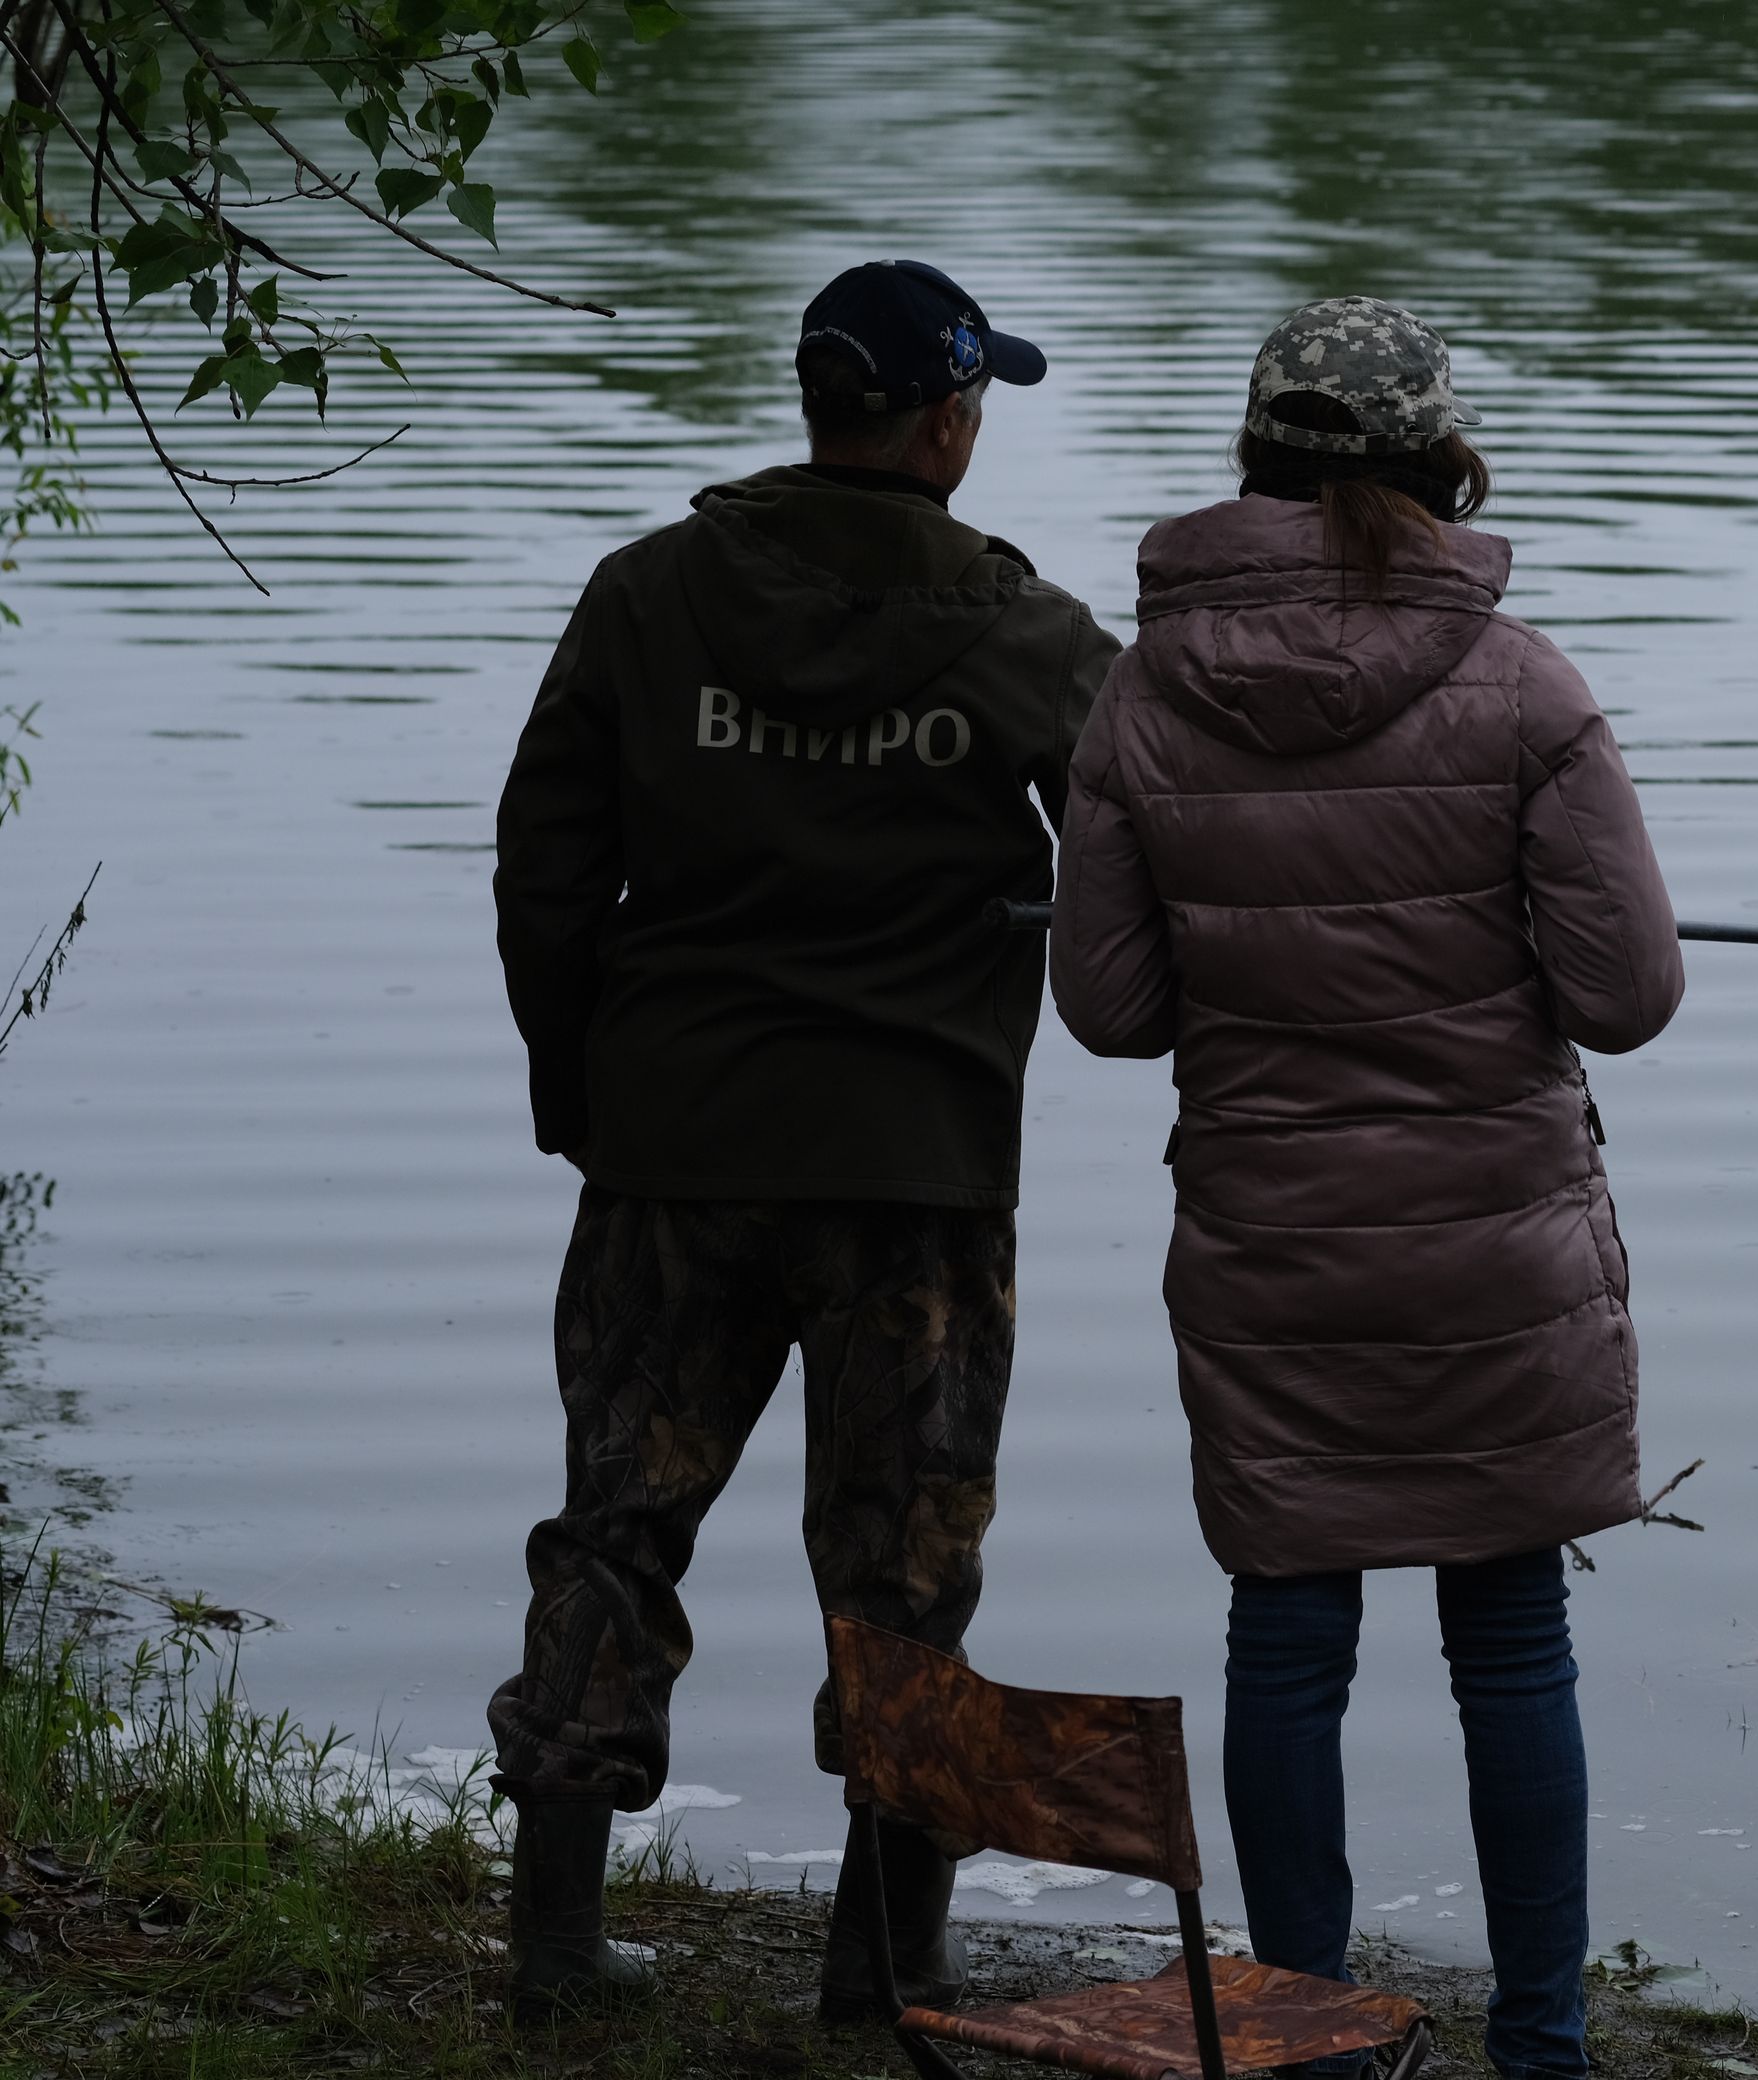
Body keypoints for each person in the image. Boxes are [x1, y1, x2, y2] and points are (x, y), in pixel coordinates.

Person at [1050, 297, 1685, 2079]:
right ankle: (1542, 2050)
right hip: (1495, 1252)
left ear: (1255, 455)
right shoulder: (1529, 689)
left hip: (1271, 1240)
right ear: (1438, 459)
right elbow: (1628, 1000)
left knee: (1287, 1639)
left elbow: (1106, 1009)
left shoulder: (1142, 692)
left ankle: (1303, 2043)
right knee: (1511, 1638)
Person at [487, 259, 1118, 2023]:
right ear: (944, 421)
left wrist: (579, 1088)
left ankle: (549, 1952)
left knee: (617, 1530)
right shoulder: (1021, 629)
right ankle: (884, 1970)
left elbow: (545, 869)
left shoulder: (648, 594)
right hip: (912, 1179)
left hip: (673, 1153)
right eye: (979, 401)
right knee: (907, 1567)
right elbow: (1151, 842)